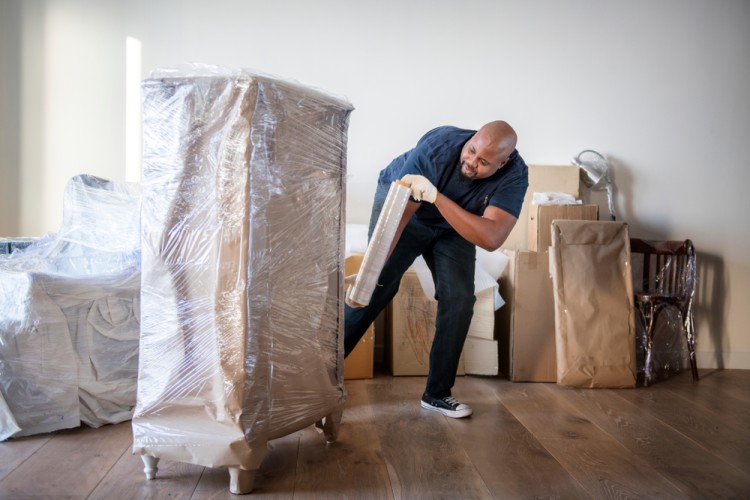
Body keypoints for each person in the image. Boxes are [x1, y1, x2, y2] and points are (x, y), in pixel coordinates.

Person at [344, 120, 529, 418]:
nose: (470, 163)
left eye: (483, 162)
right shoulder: (438, 148)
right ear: (471, 139)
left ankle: (437, 393)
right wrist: (373, 267)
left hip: (453, 221)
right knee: (376, 285)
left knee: (459, 299)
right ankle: (320, 379)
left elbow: (492, 237)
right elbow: (401, 216)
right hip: (405, 207)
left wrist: (437, 198)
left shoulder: (515, 176)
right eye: (471, 151)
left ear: (503, 163)